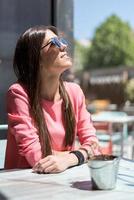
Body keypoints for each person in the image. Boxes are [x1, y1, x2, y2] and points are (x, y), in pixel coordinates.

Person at [5, 25, 101, 173]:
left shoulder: (74, 92)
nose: (63, 46)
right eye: (53, 43)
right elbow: (36, 157)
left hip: (62, 182)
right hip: (23, 187)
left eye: (61, 40)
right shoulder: (19, 93)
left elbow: (93, 145)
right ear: (36, 58)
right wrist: (81, 154)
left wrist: (70, 159)